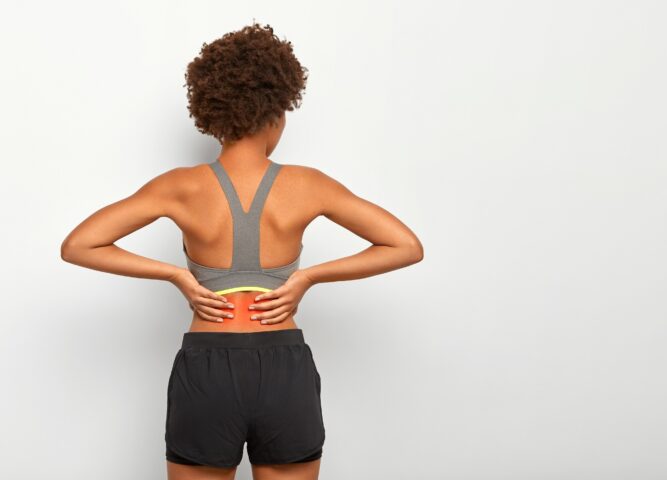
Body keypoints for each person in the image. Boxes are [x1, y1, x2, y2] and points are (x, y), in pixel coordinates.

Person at [60, 22, 423, 480]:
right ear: (277, 109)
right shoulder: (308, 186)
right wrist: (308, 276)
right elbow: (406, 246)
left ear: (214, 110)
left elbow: (78, 245)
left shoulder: (179, 187)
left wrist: (176, 275)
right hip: (282, 365)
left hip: (207, 366)